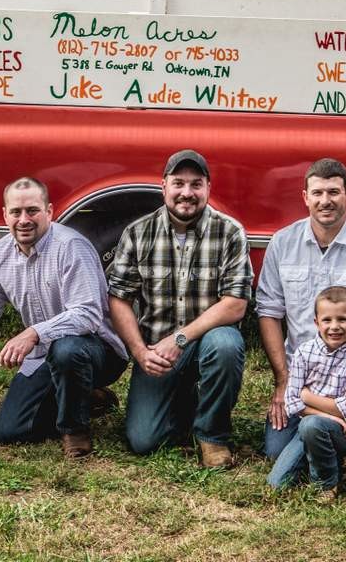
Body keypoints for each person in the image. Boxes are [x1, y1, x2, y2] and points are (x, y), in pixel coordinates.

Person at [0, 177, 128, 458]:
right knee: (11, 431)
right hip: (44, 355)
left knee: (66, 348)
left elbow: (88, 315)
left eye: (32, 210)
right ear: (5, 215)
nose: (24, 220)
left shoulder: (71, 247)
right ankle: (88, 398)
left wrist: (33, 333)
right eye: (16, 212)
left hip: (96, 350)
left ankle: (74, 430)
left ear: (50, 211)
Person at [108, 149, 252, 467]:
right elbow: (119, 298)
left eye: (196, 184)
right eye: (178, 183)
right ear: (164, 186)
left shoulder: (230, 232)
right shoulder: (137, 233)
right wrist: (140, 352)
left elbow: (235, 305)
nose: (187, 193)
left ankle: (212, 437)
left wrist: (181, 339)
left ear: (208, 189)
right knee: (143, 440)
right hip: (157, 354)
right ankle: (186, 405)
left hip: (206, 344)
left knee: (227, 344)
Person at [256, 157, 346, 474]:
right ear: (305, 197)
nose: (325, 201)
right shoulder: (283, 243)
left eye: (333, 192)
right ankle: (332, 434)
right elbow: (268, 312)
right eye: (317, 193)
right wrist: (283, 381)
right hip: (302, 372)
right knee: (274, 451)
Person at [267, 287, 346, 498]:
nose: (334, 327)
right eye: (327, 320)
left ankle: (326, 481)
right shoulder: (304, 353)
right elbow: (292, 402)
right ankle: (330, 458)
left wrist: (307, 397)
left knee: (311, 424)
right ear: (316, 322)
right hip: (311, 425)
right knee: (277, 483)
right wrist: (330, 415)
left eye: (342, 319)